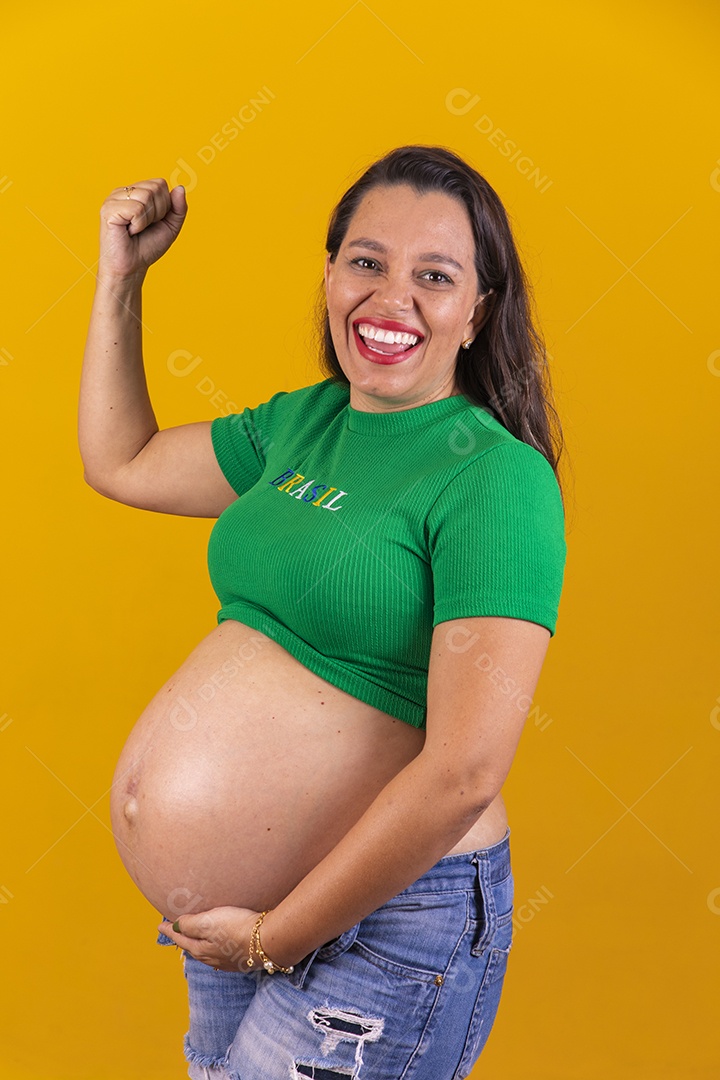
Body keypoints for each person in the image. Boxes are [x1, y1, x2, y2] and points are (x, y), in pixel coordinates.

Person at [78, 144, 567, 1080]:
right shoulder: (306, 423)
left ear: (479, 310)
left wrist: (275, 935)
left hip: (385, 923)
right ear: (331, 275)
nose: (392, 298)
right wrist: (120, 280)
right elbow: (123, 461)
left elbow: (465, 770)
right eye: (366, 262)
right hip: (242, 920)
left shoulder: (494, 478)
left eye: (435, 276)